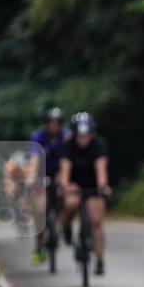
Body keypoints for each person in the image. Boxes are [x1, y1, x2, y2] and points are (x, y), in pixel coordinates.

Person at [57, 112, 111, 275]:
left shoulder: (98, 145)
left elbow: (101, 168)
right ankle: (66, 225)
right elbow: (65, 170)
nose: (83, 139)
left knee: (96, 221)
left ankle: (100, 259)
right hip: (75, 184)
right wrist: (65, 186)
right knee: (70, 203)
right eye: (79, 135)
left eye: (86, 135)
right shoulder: (67, 147)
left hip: (93, 185)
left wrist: (103, 186)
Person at [28, 106, 71, 264]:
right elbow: (34, 160)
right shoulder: (37, 137)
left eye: (57, 122)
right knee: (40, 210)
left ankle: (64, 223)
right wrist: (33, 180)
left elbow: (67, 159)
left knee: (66, 197)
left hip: (59, 172)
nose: (54, 125)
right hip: (41, 172)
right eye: (51, 122)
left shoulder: (66, 136)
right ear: (46, 124)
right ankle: (38, 247)